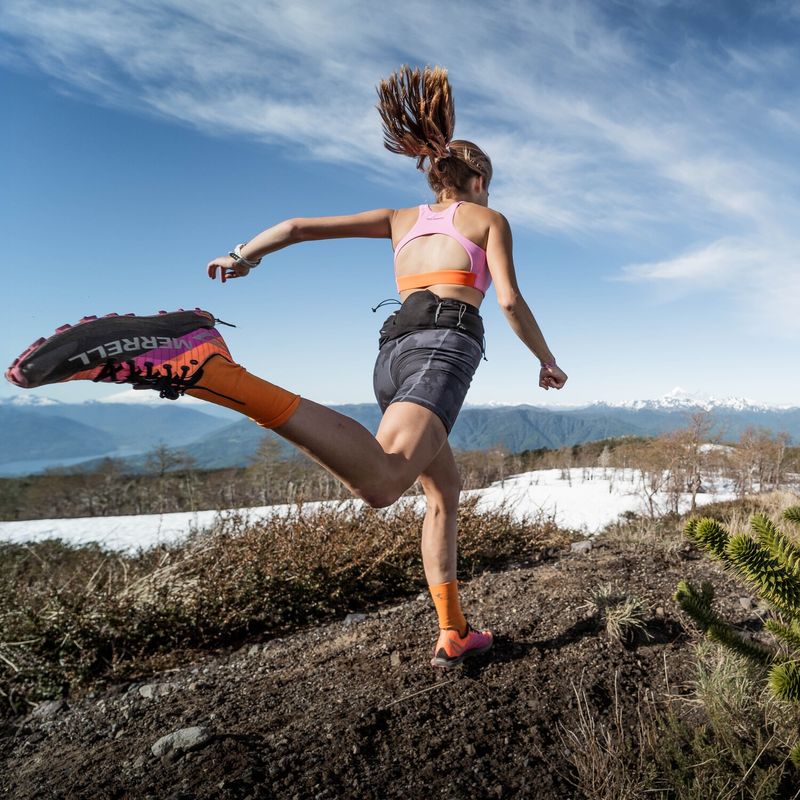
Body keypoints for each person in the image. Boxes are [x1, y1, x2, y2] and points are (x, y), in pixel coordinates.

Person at [5, 66, 567, 669]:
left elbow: (299, 226)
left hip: (394, 349)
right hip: (443, 343)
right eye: (487, 184)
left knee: (444, 491)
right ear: (478, 179)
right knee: (383, 481)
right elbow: (508, 299)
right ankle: (214, 371)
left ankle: (453, 630)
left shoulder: (402, 219)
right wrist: (546, 359)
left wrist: (242, 255)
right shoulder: (488, 219)